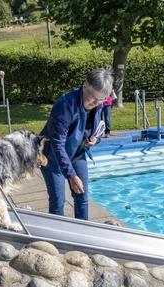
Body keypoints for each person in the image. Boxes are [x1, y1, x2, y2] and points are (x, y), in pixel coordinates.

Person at [40, 68, 113, 220]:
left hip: (77, 153)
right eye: (92, 97)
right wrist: (71, 175)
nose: (95, 103)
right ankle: (57, 240)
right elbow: (57, 144)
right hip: (53, 158)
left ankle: (83, 234)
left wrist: (95, 139)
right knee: (58, 202)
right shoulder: (65, 104)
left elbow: (97, 128)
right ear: (85, 85)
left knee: (82, 198)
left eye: (100, 100)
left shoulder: (98, 104)